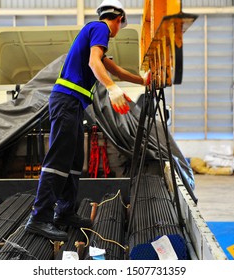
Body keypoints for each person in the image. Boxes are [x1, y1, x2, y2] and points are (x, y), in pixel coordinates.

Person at [25, 0, 150, 241]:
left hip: (74, 104)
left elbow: (115, 70)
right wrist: (112, 89)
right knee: (58, 160)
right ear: (118, 18)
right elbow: (95, 64)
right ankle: (39, 218)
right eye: (121, 25)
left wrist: (143, 82)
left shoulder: (95, 37)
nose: (118, 29)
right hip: (66, 101)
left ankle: (65, 213)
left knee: (73, 161)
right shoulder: (100, 28)